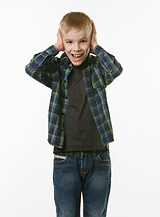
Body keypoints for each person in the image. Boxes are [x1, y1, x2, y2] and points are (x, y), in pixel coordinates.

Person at [25, 12, 123, 217]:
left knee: (96, 214)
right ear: (62, 40)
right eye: (69, 42)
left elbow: (115, 68)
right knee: (66, 214)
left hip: (98, 157)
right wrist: (56, 47)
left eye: (83, 42)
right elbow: (32, 68)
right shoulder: (58, 69)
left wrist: (96, 46)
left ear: (89, 41)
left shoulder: (97, 68)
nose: (76, 48)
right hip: (65, 157)